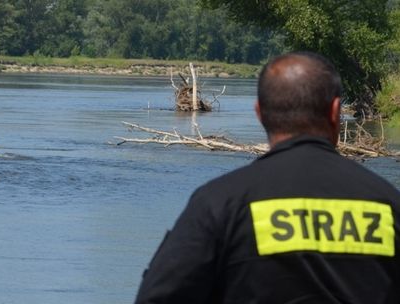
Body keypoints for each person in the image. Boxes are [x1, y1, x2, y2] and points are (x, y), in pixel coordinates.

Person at [134, 52, 400, 304]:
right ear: (335, 112)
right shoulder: (388, 203)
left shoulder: (220, 204)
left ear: (260, 113)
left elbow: (157, 296)